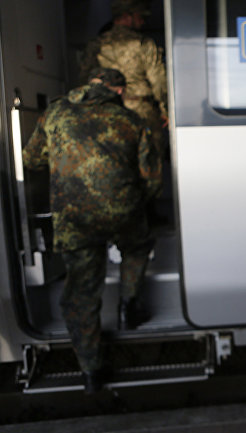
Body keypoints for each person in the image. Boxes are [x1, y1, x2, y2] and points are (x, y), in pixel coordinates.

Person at [23, 68, 162, 394]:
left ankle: (90, 371)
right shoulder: (131, 121)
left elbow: (31, 159)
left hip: (73, 218)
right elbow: (153, 181)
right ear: (118, 91)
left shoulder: (55, 112)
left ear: (90, 84)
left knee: (82, 292)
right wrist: (133, 202)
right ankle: (129, 305)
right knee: (137, 245)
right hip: (122, 212)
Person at [79, 0, 168, 155]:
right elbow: (159, 81)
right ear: (127, 16)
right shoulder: (143, 43)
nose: (142, 22)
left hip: (106, 113)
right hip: (141, 111)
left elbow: (84, 79)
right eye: (140, 17)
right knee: (149, 163)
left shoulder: (96, 44)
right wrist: (165, 109)